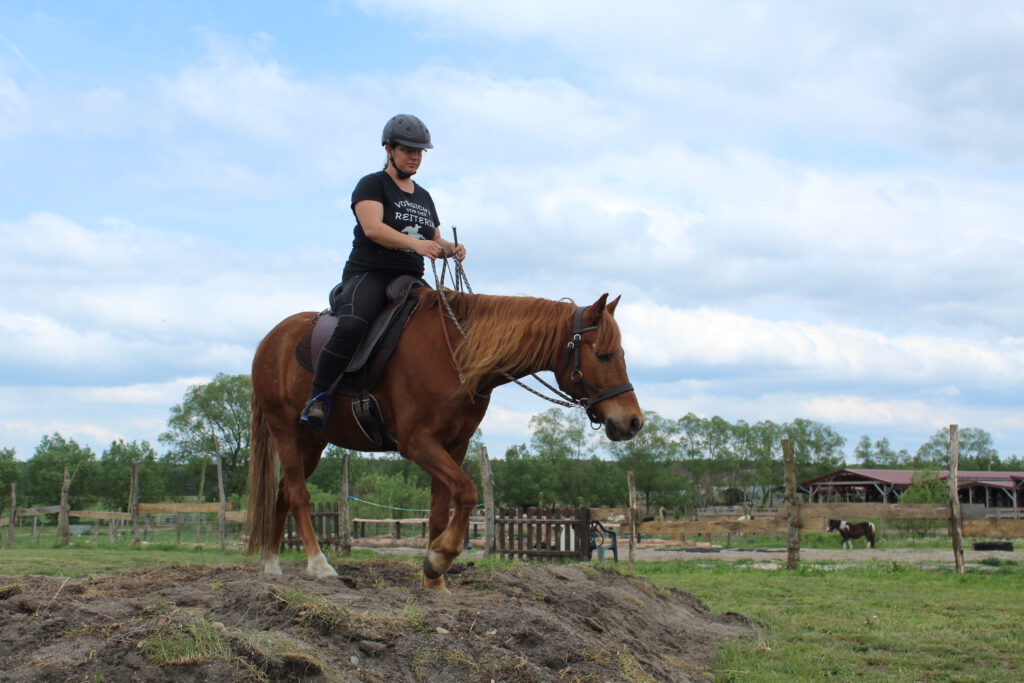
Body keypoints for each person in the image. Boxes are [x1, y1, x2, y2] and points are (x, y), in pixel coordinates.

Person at [301, 114, 466, 430]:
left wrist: (451, 250)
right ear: (389, 149)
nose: (415, 156)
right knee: (352, 326)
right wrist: (417, 246)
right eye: (408, 150)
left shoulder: (424, 196)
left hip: (411, 280)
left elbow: (434, 239)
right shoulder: (372, 184)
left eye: (420, 151)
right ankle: (318, 396)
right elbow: (373, 228)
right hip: (370, 274)